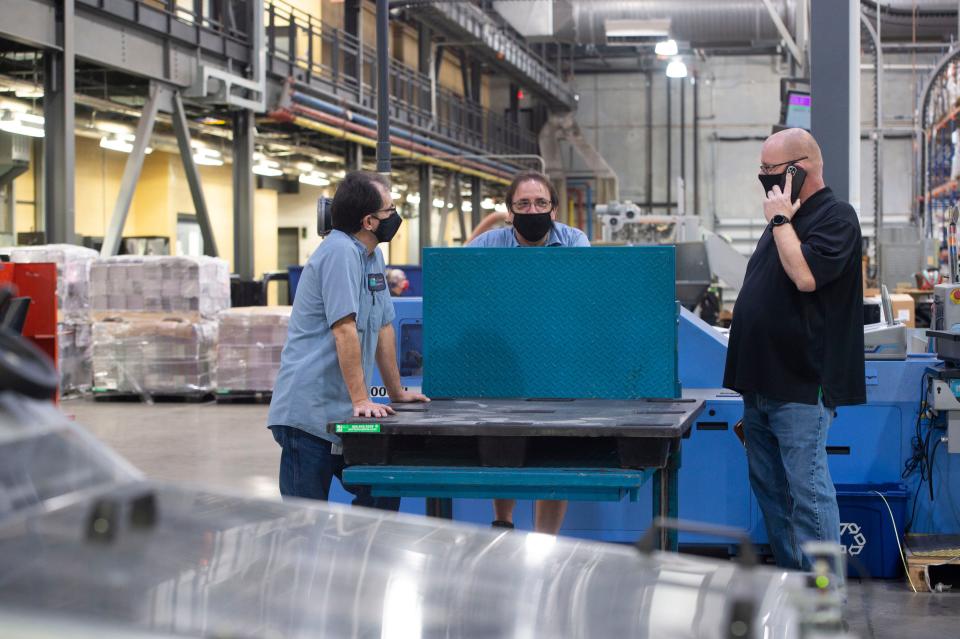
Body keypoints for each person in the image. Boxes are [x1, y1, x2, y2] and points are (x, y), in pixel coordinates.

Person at [724, 128, 865, 571]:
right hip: (760, 383)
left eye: (769, 171)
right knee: (771, 492)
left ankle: (823, 603)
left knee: (808, 495)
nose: (763, 180)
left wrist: (782, 221)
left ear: (797, 169)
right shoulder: (785, 217)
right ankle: (791, 591)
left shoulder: (836, 217)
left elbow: (806, 277)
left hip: (801, 384)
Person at [268, 171, 430, 508]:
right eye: (390, 210)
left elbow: (384, 325)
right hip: (310, 414)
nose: (394, 217)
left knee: (381, 491)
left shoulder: (373, 257)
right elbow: (344, 328)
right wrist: (361, 399)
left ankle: (358, 559)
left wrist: (396, 391)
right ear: (369, 221)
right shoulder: (339, 252)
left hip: (344, 414)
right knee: (305, 520)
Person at [469, 170, 590, 534]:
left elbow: (582, 300)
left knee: (555, 458)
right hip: (503, 364)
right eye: (523, 203)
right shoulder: (489, 244)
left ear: (553, 209)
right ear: (510, 210)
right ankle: (502, 523)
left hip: (560, 363)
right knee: (503, 449)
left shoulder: (574, 241)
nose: (532, 209)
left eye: (540, 202)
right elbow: (454, 279)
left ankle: (544, 542)